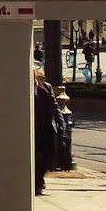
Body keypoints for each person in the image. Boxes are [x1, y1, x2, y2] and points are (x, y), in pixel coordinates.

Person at [33, 66, 60, 196]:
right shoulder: (22, 88)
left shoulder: (46, 87)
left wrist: (60, 122)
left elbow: (54, 105)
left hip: (46, 126)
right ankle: (37, 181)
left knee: (50, 154)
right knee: (35, 157)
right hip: (32, 128)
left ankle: (39, 176)